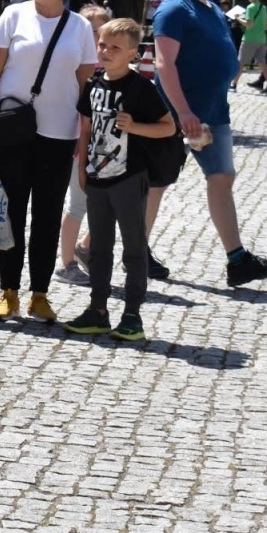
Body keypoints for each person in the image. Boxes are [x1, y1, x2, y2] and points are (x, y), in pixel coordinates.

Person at [151, 0, 267, 286]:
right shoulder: (174, 9)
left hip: (214, 113)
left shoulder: (208, 7)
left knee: (222, 178)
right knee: (155, 182)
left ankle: (237, 260)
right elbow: (164, 64)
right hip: (177, 114)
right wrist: (183, 113)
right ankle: (128, 251)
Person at [0, 0, 96, 321]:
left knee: (46, 215)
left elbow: (84, 85)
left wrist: (83, 137)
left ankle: (40, 293)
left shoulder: (80, 27)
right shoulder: (12, 17)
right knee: (11, 213)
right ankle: (8, 290)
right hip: (13, 131)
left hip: (58, 135)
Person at [63, 17, 176, 341]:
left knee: (134, 248)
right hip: (97, 177)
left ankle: (132, 316)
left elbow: (167, 127)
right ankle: (97, 310)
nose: (106, 51)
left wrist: (135, 126)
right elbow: (85, 128)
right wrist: (83, 166)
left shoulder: (141, 88)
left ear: (132, 53)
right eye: (102, 44)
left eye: (115, 47)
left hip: (129, 177)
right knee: (99, 248)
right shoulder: (94, 83)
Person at [57, 4, 111, 286]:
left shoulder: (110, 69)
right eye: (93, 32)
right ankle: (66, 264)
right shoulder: (77, 67)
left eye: (104, 32)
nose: (100, 39)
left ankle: (83, 249)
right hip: (80, 146)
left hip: (104, 149)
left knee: (107, 205)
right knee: (77, 205)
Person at [238, 0, 267, 92]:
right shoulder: (264, 7)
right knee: (262, 63)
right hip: (262, 39)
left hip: (249, 38)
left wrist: (238, 18)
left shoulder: (250, 7)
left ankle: (233, 84)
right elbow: (266, 25)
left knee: (240, 62)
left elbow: (249, 24)